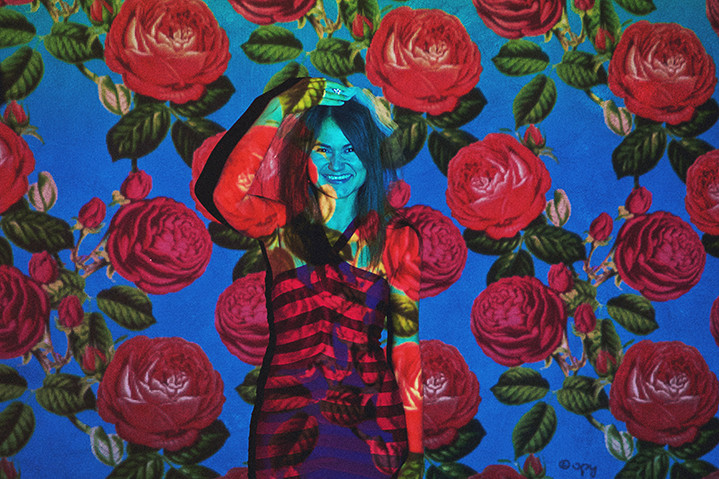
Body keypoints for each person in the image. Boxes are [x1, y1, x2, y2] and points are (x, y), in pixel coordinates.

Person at [195, 77, 423, 479]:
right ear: (306, 157)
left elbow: (405, 348)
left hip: (372, 427)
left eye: (350, 149)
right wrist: (280, 105)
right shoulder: (279, 226)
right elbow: (226, 198)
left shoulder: (398, 239)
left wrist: (416, 450)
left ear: (370, 156)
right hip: (286, 426)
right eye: (323, 149)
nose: (337, 164)